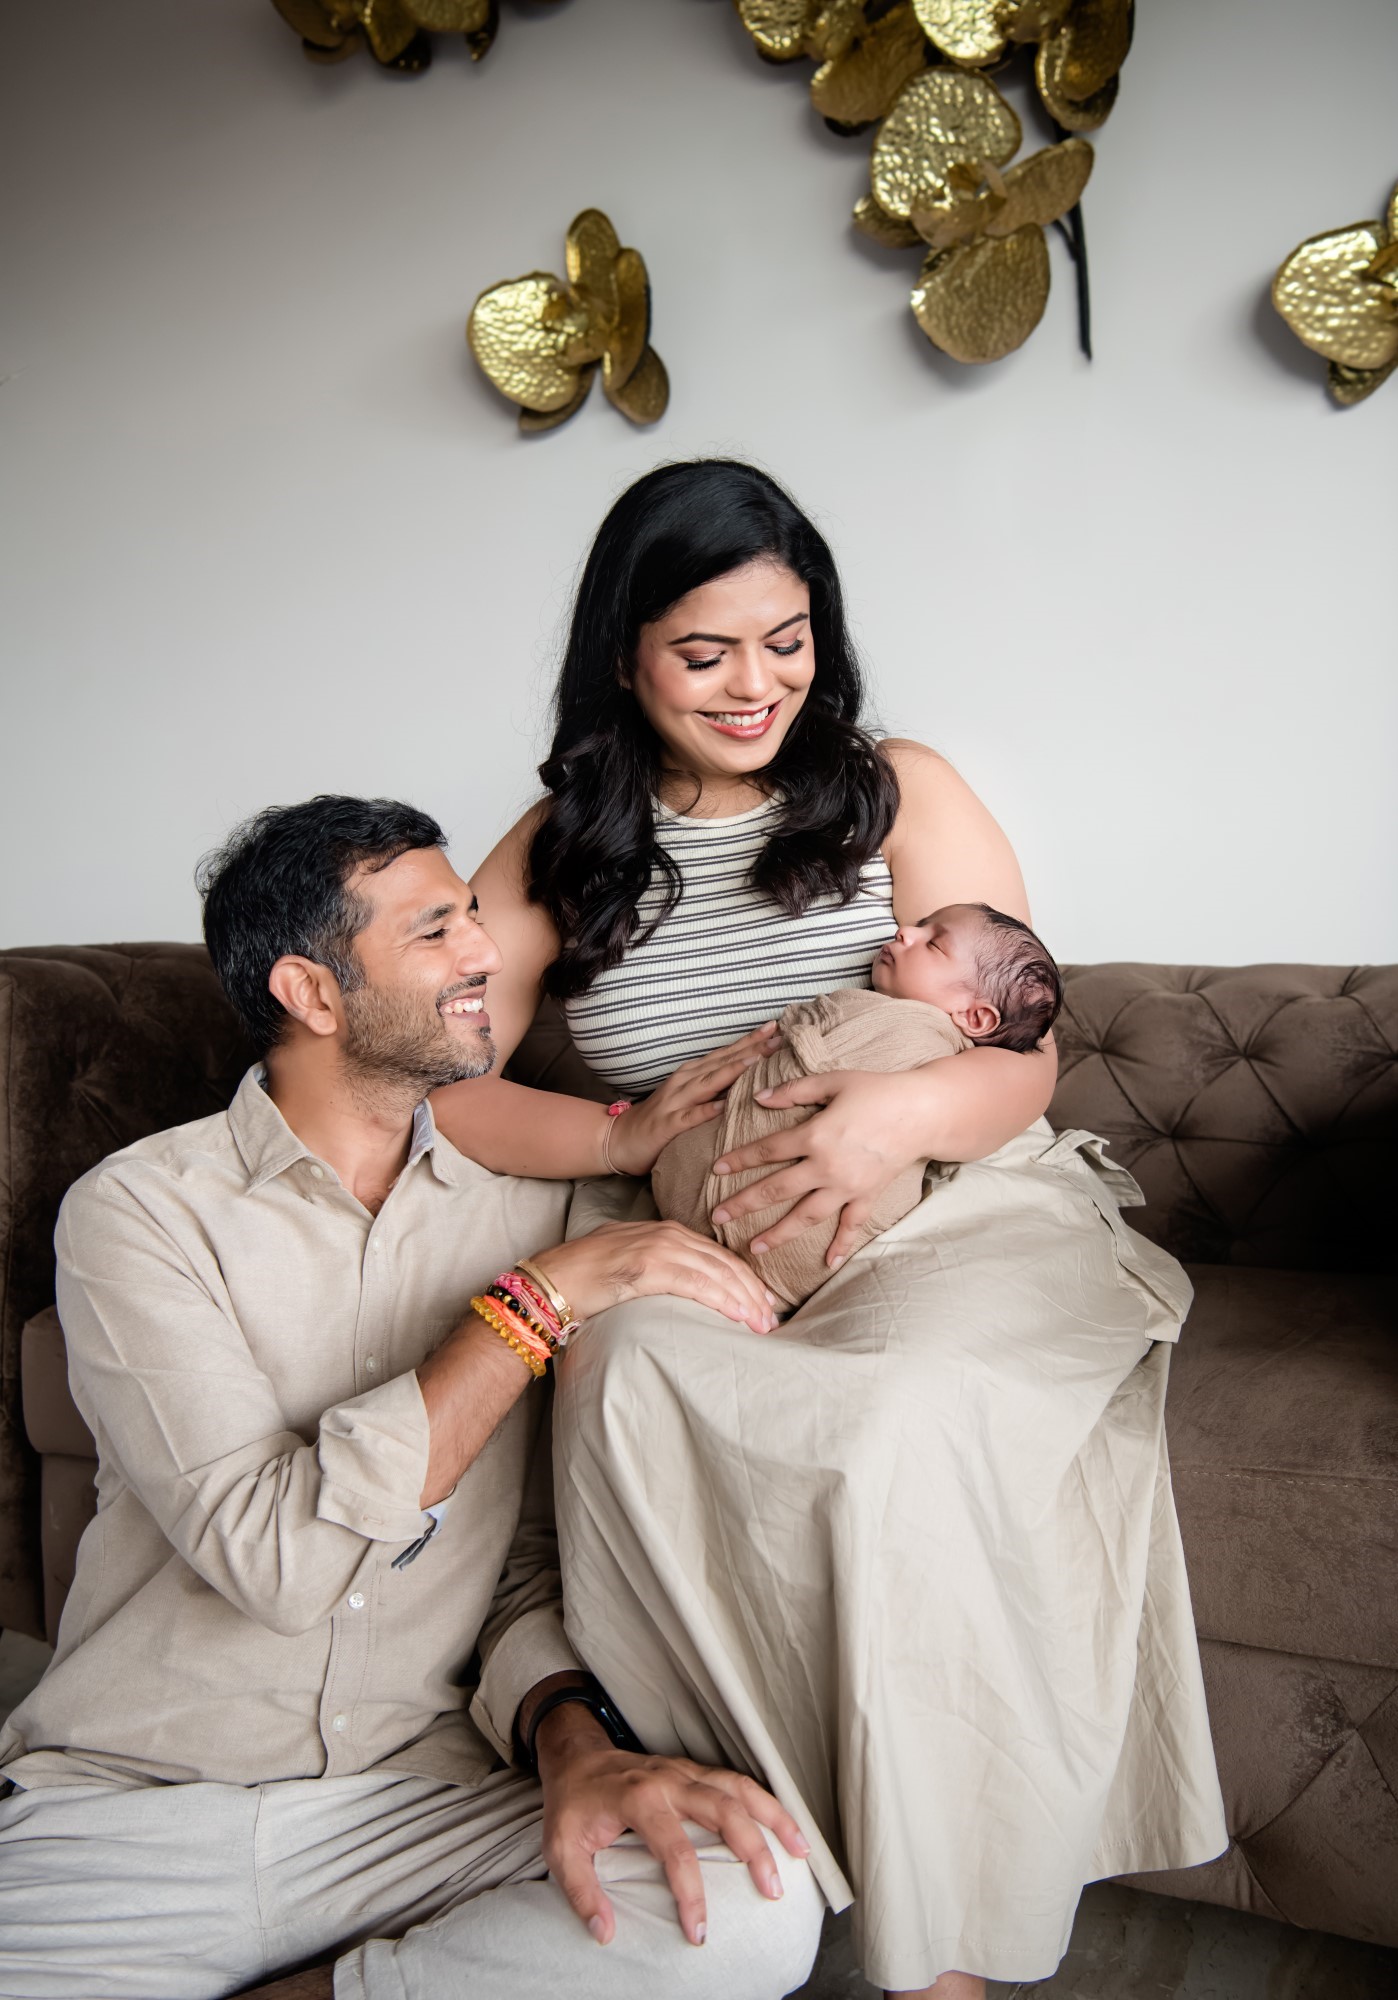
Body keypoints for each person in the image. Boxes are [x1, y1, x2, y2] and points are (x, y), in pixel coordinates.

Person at [430, 460, 1228, 2000]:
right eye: (704, 651)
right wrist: (613, 1138)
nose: (754, 685)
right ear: (623, 656)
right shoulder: (556, 849)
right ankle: (744, 1842)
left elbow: (1022, 1044)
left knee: (898, 1420)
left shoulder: (895, 789)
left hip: (952, 1214)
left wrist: (894, 1116)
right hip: (719, 1236)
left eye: (786, 642)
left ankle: (945, 1962)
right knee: (619, 1379)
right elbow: (444, 1086)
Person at [0, 796, 824, 2000]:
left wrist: (576, 1749)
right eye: (436, 930)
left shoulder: (548, 1212)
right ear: (312, 992)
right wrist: (529, 1308)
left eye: (474, 917)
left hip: (415, 1809)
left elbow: (531, 1560)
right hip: (134, 1811)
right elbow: (277, 1560)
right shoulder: (141, 1212)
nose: (487, 952)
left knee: (754, 1898)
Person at [651, 902, 1064, 1309]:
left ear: (975, 1018)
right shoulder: (877, 1010)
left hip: (795, 1244)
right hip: (683, 1219)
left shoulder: (919, 1037)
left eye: (934, 943)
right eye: (920, 923)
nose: (905, 931)